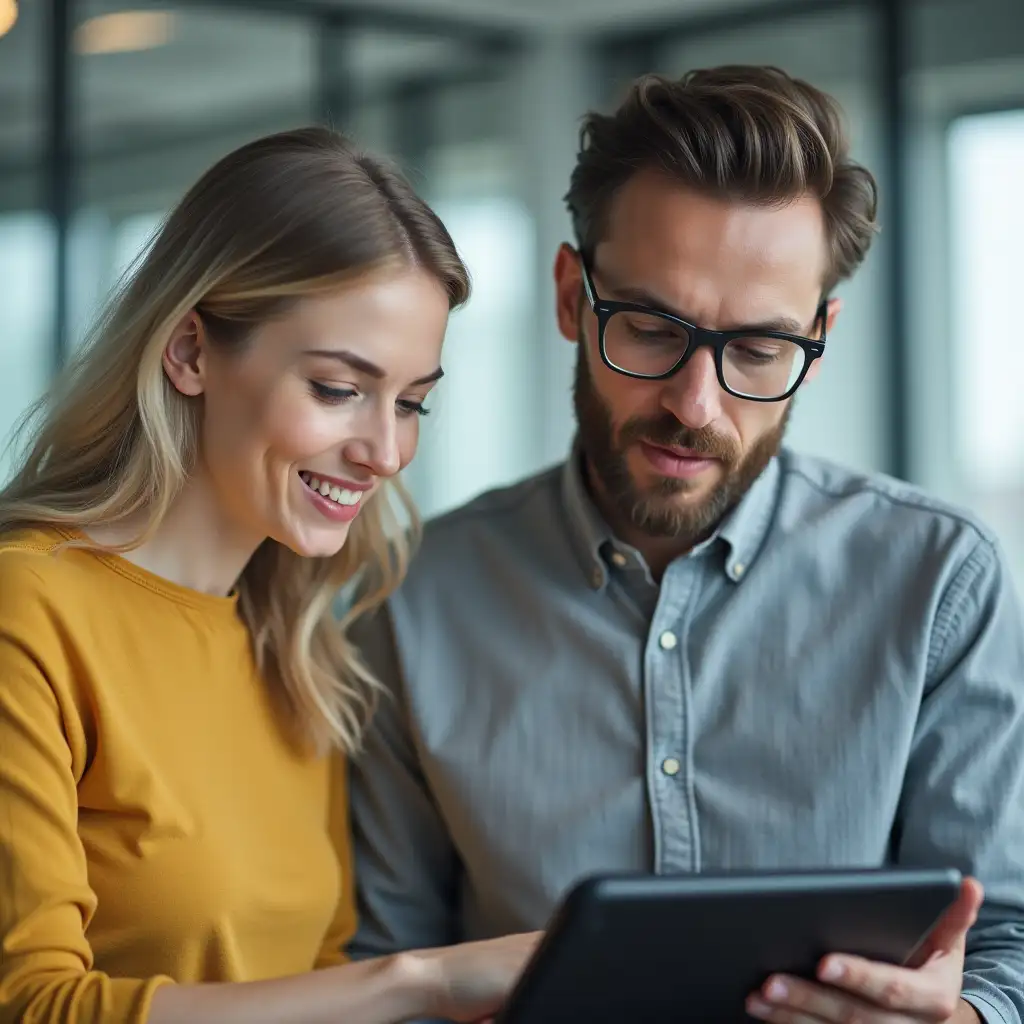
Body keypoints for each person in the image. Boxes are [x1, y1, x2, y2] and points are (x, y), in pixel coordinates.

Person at [348, 66, 1024, 1024]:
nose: (695, 406)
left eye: (758, 350)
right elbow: (389, 964)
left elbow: (1011, 942)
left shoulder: (940, 583)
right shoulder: (412, 596)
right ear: (572, 298)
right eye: (653, 328)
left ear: (819, 336)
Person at [0, 126, 539, 1024]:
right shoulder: (30, 607)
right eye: (337, 388)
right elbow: (31, 1006)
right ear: (190, 352)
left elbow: (317, 976)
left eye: (412, 403)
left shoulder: (294, 643)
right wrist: (422, 982)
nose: (385, 451)